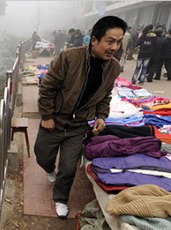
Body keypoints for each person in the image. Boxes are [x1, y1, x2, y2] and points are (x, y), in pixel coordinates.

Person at [34, 15, 127, 218]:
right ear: (95, 40)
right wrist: (47, 115)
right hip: (54, 121)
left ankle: (61, 199)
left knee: (68, 168)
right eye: (110, 41)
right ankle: (49, 169)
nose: (114, 47)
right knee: (42, 155)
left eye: (119, 42)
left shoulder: (113, 68)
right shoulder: (69, 58)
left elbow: (105, 96)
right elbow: (48, 87)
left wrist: (101, 116)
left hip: (78, 126)